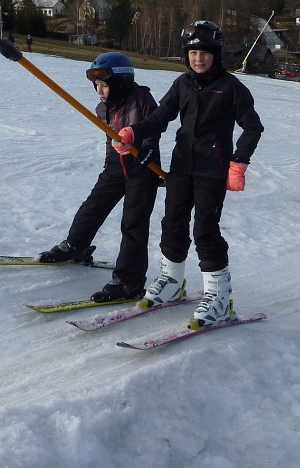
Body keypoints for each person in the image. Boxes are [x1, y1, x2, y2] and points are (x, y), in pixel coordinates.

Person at [112, 20, 264, 328]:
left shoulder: (231, 87)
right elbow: (160, 117)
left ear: (216, 54)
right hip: (181, 167)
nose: (199, 59)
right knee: (173, 224)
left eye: (206, 53)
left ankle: (220, 299)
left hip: (212, 170)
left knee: (205, 231)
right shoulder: (182, 83)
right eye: (193, 53)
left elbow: (252, 127)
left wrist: (238, 162)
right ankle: (171, 282)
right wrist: (132, 132)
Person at [38, 52, 162, 302]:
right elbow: (110, 142)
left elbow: (156, 124)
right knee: (92, 207)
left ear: (120, 82)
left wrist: (147, 146)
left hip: (142, 171)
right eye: (96, 85)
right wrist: (110, 166)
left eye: (104, 85)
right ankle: (76, 246)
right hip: (115, 169)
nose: (99, 91)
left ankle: (129, 281)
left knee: (133, 225)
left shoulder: (141, 98)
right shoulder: (101, 109)